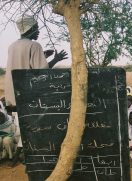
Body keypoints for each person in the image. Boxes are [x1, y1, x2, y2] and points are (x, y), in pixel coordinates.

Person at [5, 15, 67, 167]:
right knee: (38, 128)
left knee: (25, 128)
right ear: (30, 29)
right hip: (29, 98)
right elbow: (41, 73)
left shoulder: (12, 46)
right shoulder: (34, 46)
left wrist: (43, 56)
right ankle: (36, 160)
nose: (38, 31)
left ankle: (25, 158)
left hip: (14, 97)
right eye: (36, 28)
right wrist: (56, 59)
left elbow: (24, 67)